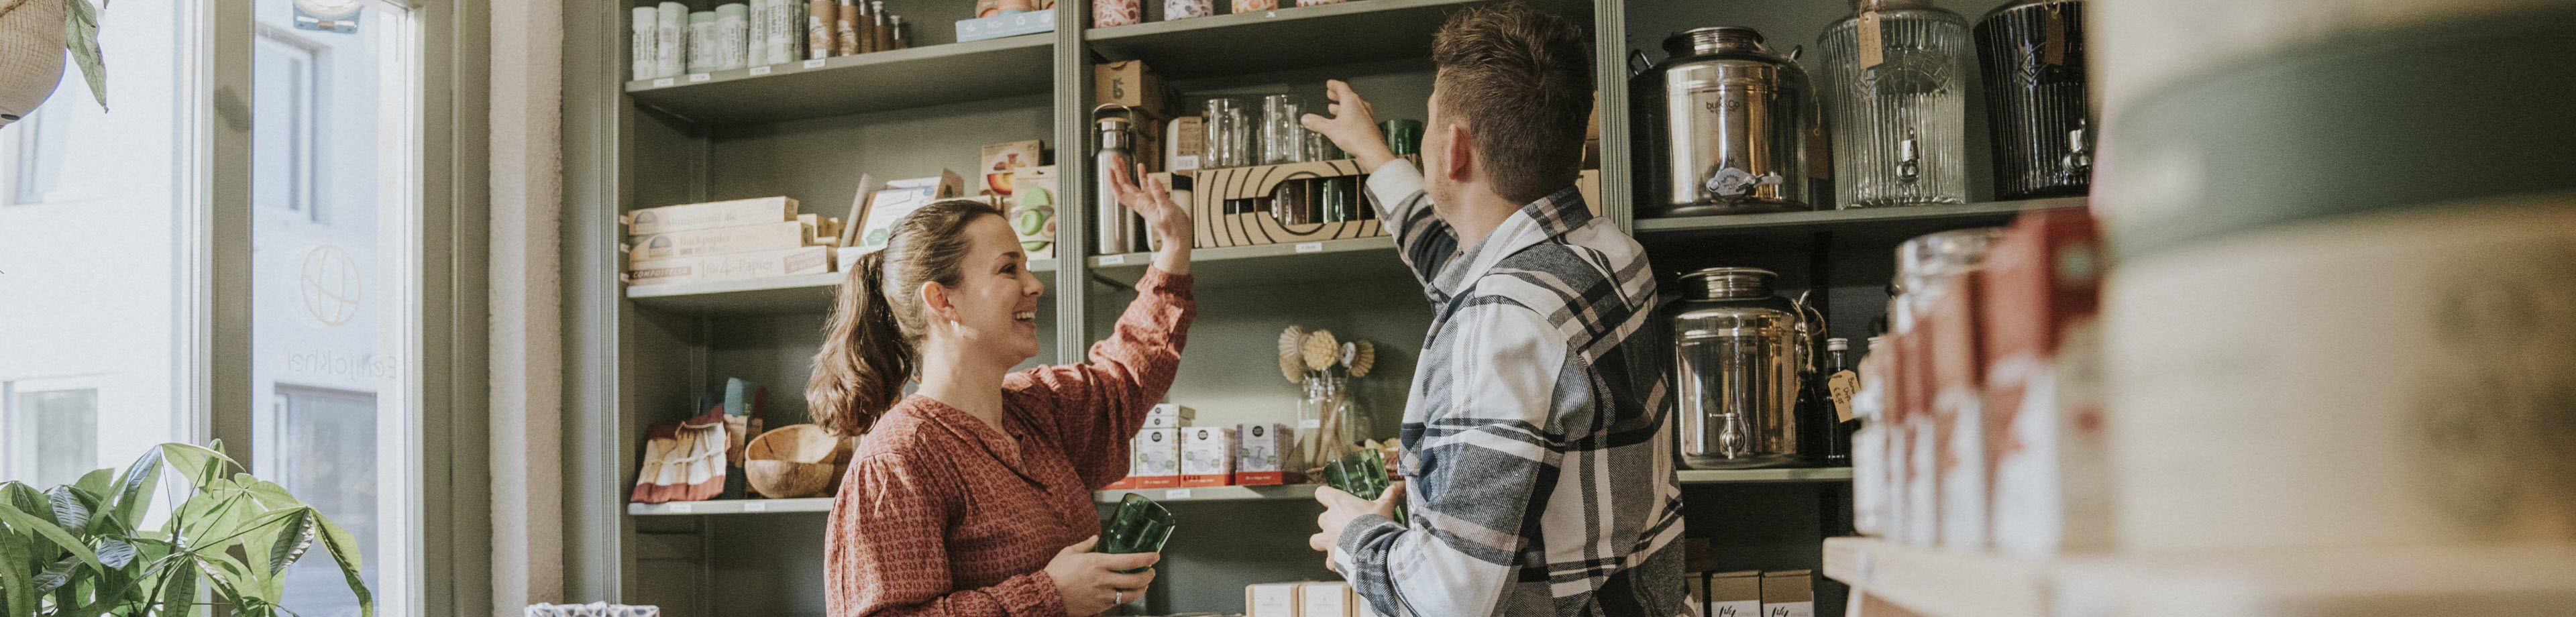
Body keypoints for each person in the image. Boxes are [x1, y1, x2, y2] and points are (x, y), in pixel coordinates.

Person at [1297, 3, 1690, 616]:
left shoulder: (1500, 324)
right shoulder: (1609, 255)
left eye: (1430, 121)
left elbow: (1447, 601)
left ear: (1454, 148)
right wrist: (1373, 154)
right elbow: (1461, 265)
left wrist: (1355, 538)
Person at [816, 161, 1195, 617]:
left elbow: (1125, 380)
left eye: (1028, 267)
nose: (1034, 285)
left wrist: (1173, 248)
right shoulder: (899, 458)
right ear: (943, 300)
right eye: (1008, 269)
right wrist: (1050, 595)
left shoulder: (1035, 409)